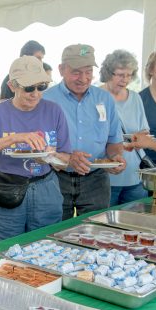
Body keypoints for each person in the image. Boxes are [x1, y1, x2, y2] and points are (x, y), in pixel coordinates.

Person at [0, 56, 71, 243]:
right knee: (3, 251)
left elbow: (65, 161)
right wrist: (14, 138)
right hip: (7, 187)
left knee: (46, 249)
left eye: (41, 86)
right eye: (28, 88)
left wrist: (51, 157)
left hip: (46, 188)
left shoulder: (54, 111)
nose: (35, 93)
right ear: (12, 86)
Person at [43, 44, 126, 220]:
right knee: (53, 234)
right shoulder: (45, 100)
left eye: (88, 71)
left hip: (96, 180)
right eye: (76, 72)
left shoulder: (105, 99)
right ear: (61, 69)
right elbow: (39, 146)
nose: (83, 78)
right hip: (56, 177)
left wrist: (115, 157)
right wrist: (65, 157)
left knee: (96, 234)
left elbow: (114, 140)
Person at [99, 50, 149, 205]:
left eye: (129, 75)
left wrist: (135, 138)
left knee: (136, 224)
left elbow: (145, 131)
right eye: (120, 74)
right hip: (107, 176)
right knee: (104, 225)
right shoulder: (96, 96)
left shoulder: (135, 97)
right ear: (108, 72)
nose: (125, 79)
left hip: (135, 175)